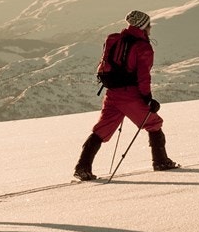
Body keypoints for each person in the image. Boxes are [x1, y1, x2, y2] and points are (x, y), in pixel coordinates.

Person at [73, 9, 179, 180]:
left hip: (112, 93)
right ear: (143, 27)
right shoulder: (143, 47)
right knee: (154, 123)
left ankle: (82, 167)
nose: (151, 28)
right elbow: (143, 76)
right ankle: (160, 161)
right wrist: (147, 99)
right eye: (149, 25)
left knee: (101, 130)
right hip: (130, 94)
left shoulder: (113, 39)